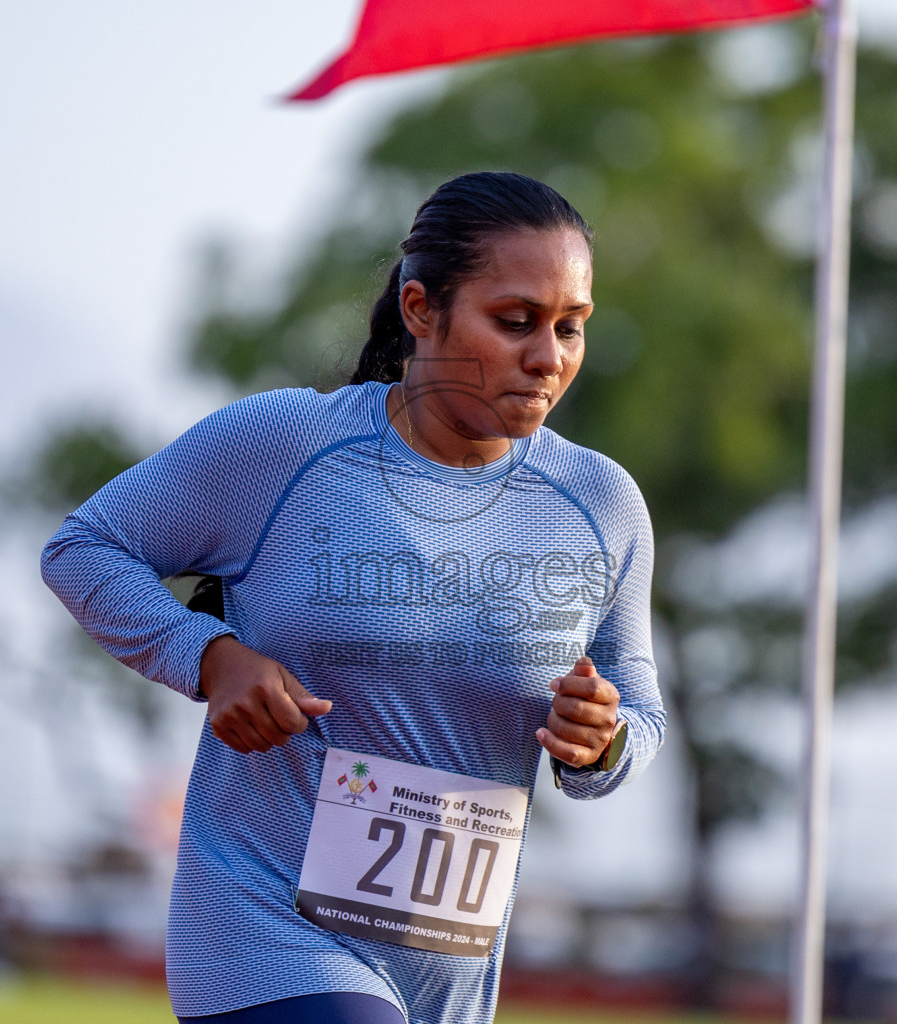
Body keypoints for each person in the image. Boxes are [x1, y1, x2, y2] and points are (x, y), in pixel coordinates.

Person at [41, 171, 665, 1024]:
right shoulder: (287, 446)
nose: (548, 356)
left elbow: (639, 704)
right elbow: (85, 547)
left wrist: (604, 740)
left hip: (444, 975)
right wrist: (209, 657)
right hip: (264, 928)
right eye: (514, 321)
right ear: (421, 309)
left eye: (570, 327)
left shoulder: (600, 504)